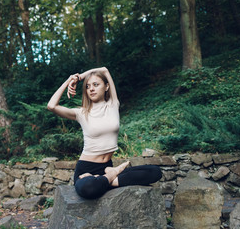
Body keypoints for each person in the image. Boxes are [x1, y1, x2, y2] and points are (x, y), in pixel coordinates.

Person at [47, 67, 162, 199]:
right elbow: (51, 106)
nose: (91, 89)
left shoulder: (113, 105)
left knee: (155, 172)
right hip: (86, 169)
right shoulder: (81, 113)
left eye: (96, 85)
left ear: (106, 86)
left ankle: (104, 178)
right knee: (88, 188)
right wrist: (69, 80)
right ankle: (114, 174)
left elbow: (105, 70)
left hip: (106, 166)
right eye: (88, 86)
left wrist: (79, 77)